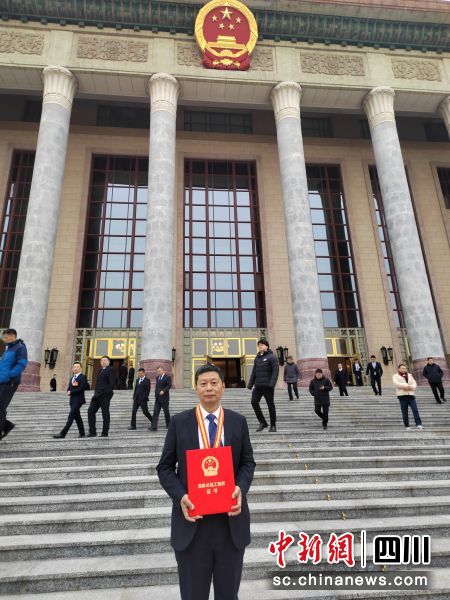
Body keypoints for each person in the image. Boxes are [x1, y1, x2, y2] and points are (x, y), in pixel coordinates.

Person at [157, 364, 255, 600]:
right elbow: (165, 467)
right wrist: (181, 496)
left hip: (229, 524)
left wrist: (240, 488)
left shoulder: (238, 421)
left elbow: (247, 463)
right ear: (196, 388)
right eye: (203, 384)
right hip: (192, 524)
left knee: (228, 595)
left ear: (223, 387)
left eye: (214, 383)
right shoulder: (180, 422)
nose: (209, 388)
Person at [0, 328, 28, 441]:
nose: (4, 339)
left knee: (1, 406)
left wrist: (10, 376)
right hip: (2, 381)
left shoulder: (20, 347)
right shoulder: (7, 350)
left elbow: (22, 364)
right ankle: (6, 426)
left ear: (12, 336)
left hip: (10, 382)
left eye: (6, 337)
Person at [247, 338, 279, 432]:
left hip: (268, 386)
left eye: (262, 345)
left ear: (267, 346)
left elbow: (275, 371)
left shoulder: (272, 357)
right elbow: (254, 372)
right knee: (254, 402)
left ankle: (273, 425)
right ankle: (263, 422)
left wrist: (272, 384)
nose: (260, 346)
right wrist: (250, 384)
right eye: (259, 345)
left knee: (270, 405)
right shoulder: (257, 358)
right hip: (258, 386)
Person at [53, 362, 88, 439]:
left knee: (71, 416)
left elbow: (82, 388)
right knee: (77, 417)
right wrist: (68, 391)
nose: (76, 368)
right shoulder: (72, 378)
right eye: (74, 367)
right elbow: (69, 388)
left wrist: (71, 392)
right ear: (72, 369)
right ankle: (82, 433)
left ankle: (63, 434)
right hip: (72, 399)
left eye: (77, 367)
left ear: (81, 368)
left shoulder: (83, 377)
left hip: (79, 399)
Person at [87, 356, 115, 438]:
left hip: (104, 395)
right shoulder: (100, 370)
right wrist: (95, 395)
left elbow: (112, 383)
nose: (103, 361)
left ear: (108, 362)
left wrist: (107, 393)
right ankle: (92, 432)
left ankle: (105, 433)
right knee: (90, 411)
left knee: (105, 414)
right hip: (97, 396)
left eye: (104, 360)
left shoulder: (110, 369)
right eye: (101, 360)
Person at [393, 363, 423, 432]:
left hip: (411, 395)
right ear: (398, 369)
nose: (404, 369)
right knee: (404, 411)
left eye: (405, 368)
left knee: (415, 410)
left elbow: (414, 384)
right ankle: (407, 426)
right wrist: (406, 386)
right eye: (402, 368)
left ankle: (419, 424)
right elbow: (396, 384)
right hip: (402, 396)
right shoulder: (395, 376)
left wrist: (410, 387)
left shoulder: (409, 375)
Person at [150, 366, 172, 431]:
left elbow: (169, 385)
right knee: (155, 412)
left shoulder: (167, 377)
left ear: (162, 370)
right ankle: (153, 427)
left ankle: (169, 425)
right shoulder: (157, 378)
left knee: (166, 412)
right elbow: (157, 387)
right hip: (158, 398)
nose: (158, 372)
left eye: (159, 371)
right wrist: (155, 395)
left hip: (164, 398)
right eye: (157, 371)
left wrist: (164, 391)